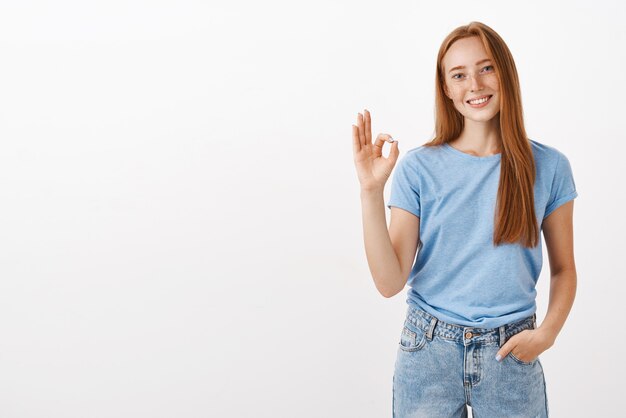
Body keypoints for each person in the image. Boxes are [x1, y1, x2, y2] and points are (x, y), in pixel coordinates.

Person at [352, 21, 577, 417]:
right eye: (459, 74)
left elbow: (564, 269)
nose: (474, 83)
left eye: (486, 68)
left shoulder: (550, 167)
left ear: (505, 73)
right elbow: (389, 283)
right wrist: (371, 192)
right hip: (428, 352)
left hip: (512, 354)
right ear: (446, 89)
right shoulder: (419, 168)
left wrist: (547, 335)